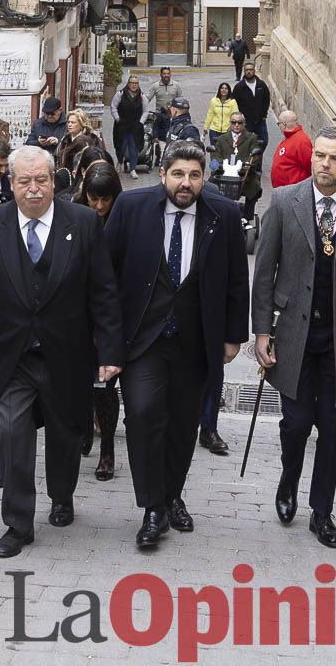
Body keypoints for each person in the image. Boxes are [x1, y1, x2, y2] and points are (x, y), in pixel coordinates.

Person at [0, 145, 123, 558]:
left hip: (66, 354)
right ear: (10, 183)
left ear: (54, 182)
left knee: (66, 435)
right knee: (13, 435)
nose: (34, 189)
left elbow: (103, 291)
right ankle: (18, 524)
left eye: (42, 180)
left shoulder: (82, 222)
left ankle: (62, 495)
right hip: (13, 355)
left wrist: (109, 351)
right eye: (25, 181)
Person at [105, 140, 249, 547]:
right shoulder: (131, 208)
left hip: (195, 340)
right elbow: (105, 276)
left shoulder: (223, 214)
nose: (186, 183)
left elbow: (237, 279)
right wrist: (106, 339)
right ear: (163, 174)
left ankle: (172, 496)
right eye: (178, 174)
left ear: (204, 178)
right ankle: (153, 508)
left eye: (194, 175)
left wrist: (233, 336)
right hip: (143, 340)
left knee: (183, 425)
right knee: (143, 414)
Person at [253, 126, 336, 549]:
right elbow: (264, 272)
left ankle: (322, 511)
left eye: (334, 158)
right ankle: (288, 480)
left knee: (332, 429)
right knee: (296, 425)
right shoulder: (284, 201)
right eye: (320, 156)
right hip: (294, 335)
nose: (325, 164)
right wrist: (262, 330)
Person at [75, 162, 125, 480]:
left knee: (105, 387)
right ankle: (84, 429)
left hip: (112, 317)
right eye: (94, 198)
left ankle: (107, 450)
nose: (99, 205)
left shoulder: (124, 220)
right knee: (81, 384)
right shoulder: (75, 216)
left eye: (105, 199)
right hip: (79, 316)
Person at [210, 112, 262, 222]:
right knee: (209, 186)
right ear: (230, 123)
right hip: (223, 172)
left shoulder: (251, 138)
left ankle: (247, 217)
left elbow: (255, 155)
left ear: (244, 124)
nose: (236, 125)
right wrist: (218, 163)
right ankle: (213, 213)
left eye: (240, 122)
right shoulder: (222, 139)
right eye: (234, 122)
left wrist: (246, 164)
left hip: (244, 174)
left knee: (254, 186)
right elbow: (216, 154)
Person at [110, 75, 146, 179]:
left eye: (136, 83)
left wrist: (141, 122)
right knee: (120, 146)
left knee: (134, 147)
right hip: (122, 125)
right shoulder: (120, 94)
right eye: (132, 83)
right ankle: (119, 161)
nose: (134, 85)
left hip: (135, 126)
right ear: (128, 84)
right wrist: (117, 118)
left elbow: (145, 111)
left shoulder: (142, 96)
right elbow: (113, 107)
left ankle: (133, 169)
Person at [270, 110, 313, 189]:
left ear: (284, 124)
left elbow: (309, 166)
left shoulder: (302, 141)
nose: (279, 126)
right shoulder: (289, 137)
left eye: (279, 123)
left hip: (293, 189)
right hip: (284, 189)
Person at [232, 62, 271, 149]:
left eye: (251, 69)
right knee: (244, 143)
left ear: (254, 71)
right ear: (244, 71)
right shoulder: (239, 87)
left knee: (264, 141)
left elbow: (266, 100)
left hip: (260, 120)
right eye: (247, 70)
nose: (249, 72)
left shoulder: (261, 85)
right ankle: (248, 156)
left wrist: (264, 114)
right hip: (246, 121)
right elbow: (234, 103)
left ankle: (257, 156)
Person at [146, 67, 182, 144]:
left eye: (168, 73)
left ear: (170, 74)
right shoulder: (155, 86)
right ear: (160, 75)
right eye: (164, 73)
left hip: (173, 117)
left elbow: (180, 100)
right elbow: (147, 99)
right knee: (160, 140)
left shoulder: (176, 85)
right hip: (159, 117)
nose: (166, 75)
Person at [204, 82, 238, 147]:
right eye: (222, 88)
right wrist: (206, 128)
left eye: (226, 88)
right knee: (214, 149)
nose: (224, 90)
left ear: (229, 91)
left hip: (227, 131)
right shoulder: (214, 101)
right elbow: (210, 114)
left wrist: (233, 128)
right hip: (214, 130)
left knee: (226, 150)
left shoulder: (232, 102)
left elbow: (235, 116)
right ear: (219, 90)